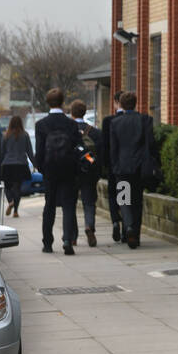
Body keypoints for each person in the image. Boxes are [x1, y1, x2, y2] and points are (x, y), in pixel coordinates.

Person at [34, 88, 83, 254]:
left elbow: (39, 152)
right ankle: (68, 239)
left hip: (50, 170)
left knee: (49, 206)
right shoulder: (71, 124)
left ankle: (47, 243)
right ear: (63, 103)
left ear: (48, 103)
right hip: (68, 169)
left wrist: (42, 168)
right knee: (69, 205)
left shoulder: (41, 125)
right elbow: (79, 148)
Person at [108, 91, 157, 249]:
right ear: (136, 103)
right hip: (140, 168)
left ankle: (128, 226)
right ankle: (135, 234)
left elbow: (113, 148)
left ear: (120, 104)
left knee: (124, 199)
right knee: (137, 201)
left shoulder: (115, 123)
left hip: (122, 169)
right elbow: (151, 145)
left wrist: (114, 166)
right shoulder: (145, 120)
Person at [70, 100, 102, 247]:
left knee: (70, 203)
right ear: (84, 113)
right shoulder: (94, 132)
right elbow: (100, 154)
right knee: (89, 202)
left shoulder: (68, 130)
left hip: (73, 173)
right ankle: (89, 227)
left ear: (72, 113)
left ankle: (73, 236)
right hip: (89, 173)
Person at [101, 92, 125, 241]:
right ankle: (125, 225)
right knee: (124, 196)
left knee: (112, 195)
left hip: (112, 166)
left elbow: (104, 145)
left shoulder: (108, 121)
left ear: (116, 102)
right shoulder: (133, 119)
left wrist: (105, 165)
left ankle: (115, 220)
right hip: (126, 167)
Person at [0, 115, 35, 218]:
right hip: (21, 164)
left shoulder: (5, 135)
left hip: (8, 164)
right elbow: (29, 152)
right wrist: (35, 164)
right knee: (17, 188)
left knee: (7, 187)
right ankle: (15, 211)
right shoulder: (25, 135)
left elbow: (2, 152)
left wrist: (2, 163)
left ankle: (10, 201)